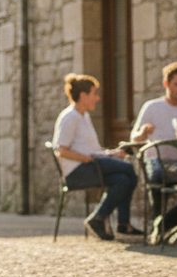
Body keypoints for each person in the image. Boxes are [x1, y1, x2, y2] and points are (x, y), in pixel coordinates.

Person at [52, 74, 140, 241]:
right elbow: (61, 150)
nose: (97, 98)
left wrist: (112, 154)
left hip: (92, 166)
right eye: (94, 93)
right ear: (83, 95)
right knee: (128, 169)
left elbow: (93, 150)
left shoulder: (83, 116)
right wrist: (85, 159)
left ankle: (108, 220)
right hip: (78, 172)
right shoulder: (70, 117)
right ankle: (109, 220)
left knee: (123, 179)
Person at [130, 62, 177, 244]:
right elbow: (134, 138)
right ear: (167, 84)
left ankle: (163, 225)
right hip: (158, 159)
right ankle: (166, 227)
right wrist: (143, 133)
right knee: (157, 176)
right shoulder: (152, 107)